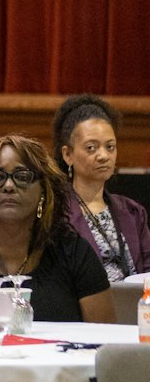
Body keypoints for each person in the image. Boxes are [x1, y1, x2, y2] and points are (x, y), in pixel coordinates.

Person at [0, 134, 112, 323]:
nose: (9, 186)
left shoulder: (74, 252)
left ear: (43, 191)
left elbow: (105, 340)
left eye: (22, 176)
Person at [52, 94, 150, 283]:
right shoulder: (55, 212)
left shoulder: (133, 212)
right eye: (91, 148)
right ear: (67, 155)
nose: (103, 156)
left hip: (135, 308)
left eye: (110, 147)